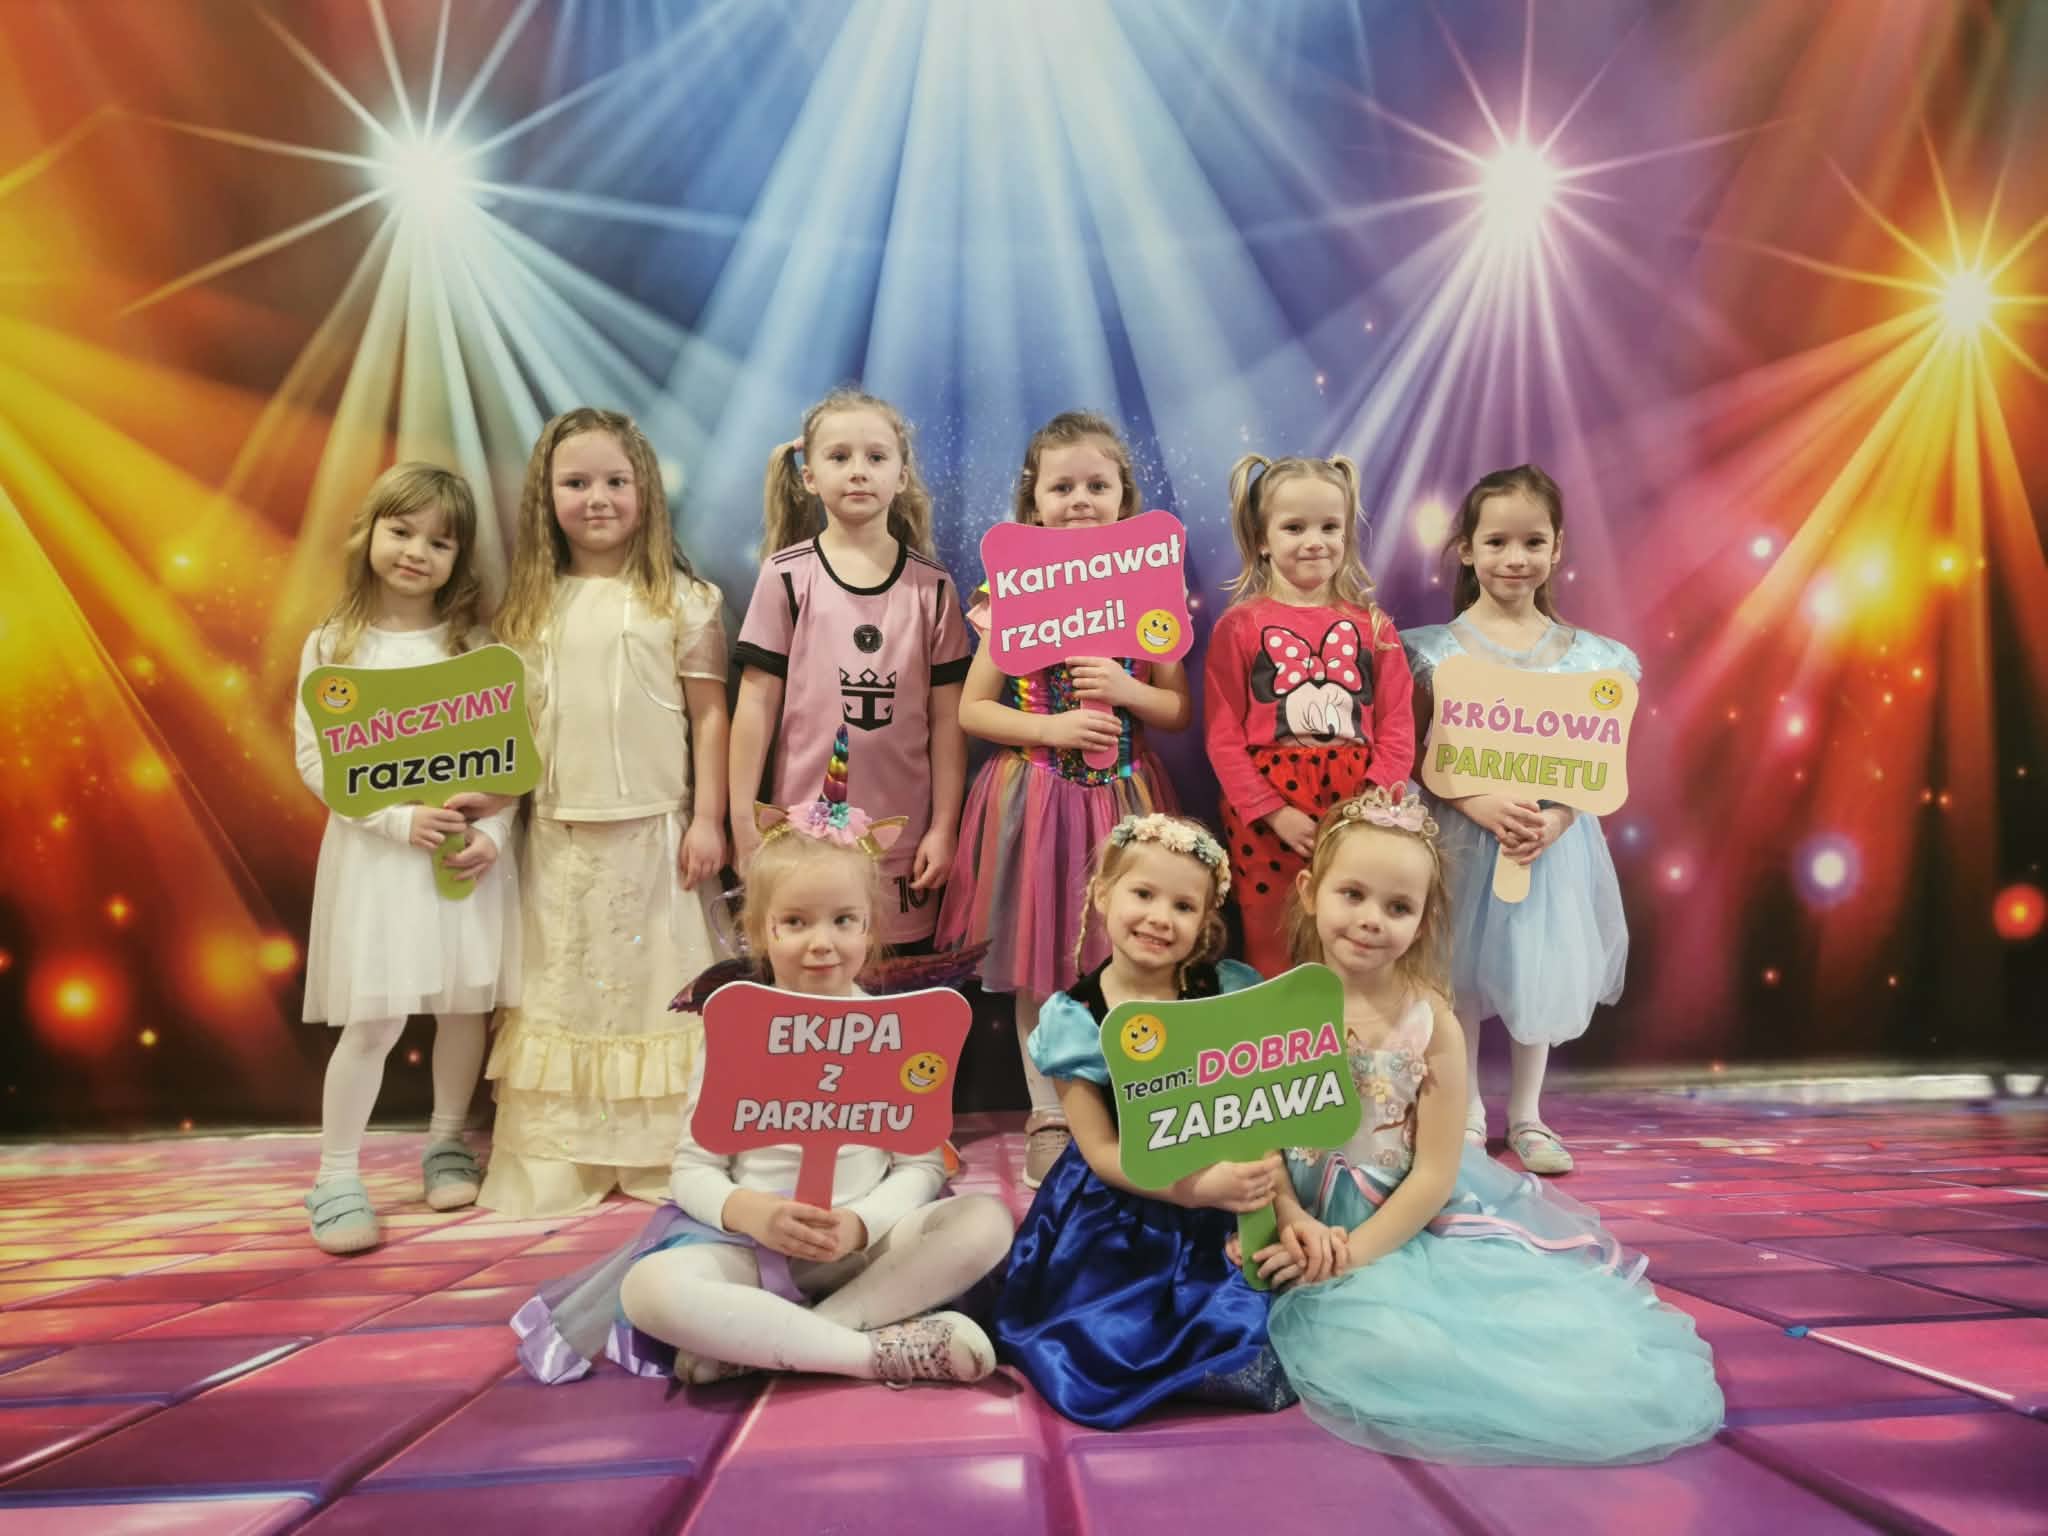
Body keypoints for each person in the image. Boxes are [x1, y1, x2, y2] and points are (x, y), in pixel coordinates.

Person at [1253, 788, 1722, 1465]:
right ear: (1309, 892)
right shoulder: (1273, 1012)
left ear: (1424, 919)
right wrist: (1291, 1218)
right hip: (1293, 1213)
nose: (1370, 920)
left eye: (1398, 907)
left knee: (1400, 1348)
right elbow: (1255, 1138)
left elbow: (1433, 1174)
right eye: (1351, 895)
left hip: (1397, 1225)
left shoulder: (1431, 1023)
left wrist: (1348, 1257)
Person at [480, 407, 730, 1216]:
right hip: (558, 839)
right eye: (576, 482)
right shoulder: (529, 609)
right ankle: (564, 1160)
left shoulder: (684, 601)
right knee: (565, 993)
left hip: (658, 835)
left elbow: (710, 718)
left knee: (657, 992)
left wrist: (709, 818)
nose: (597, 498)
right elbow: (513, 735)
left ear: (644, 490)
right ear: (546, 495)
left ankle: (661, 1152)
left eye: (616, 481)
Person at [936, 411, 1190, 1188]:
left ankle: (1128, 1104)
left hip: (1124, 800)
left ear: (1124, 497)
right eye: (1062, 487)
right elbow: (972, 709)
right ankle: (1047, 1111)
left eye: (1097, 485)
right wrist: (1050, 726)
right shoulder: (1011, 591)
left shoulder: (1152, 587)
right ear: (1034, 502)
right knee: (1038, 956)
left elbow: (1177, 708)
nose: (1080, 499)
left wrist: (1125, 689)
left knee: (1132, 951)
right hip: (1038, 799)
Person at [994, 813, 1295, 1429]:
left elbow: (1260, 1110)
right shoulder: (1076, 1018)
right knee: (1110, 1333)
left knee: (1260, 1307)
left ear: (1205, 922)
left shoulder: (1227, 990)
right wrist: (1190, 1189)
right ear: (1103, 893)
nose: (1160, 917)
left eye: (1183, 906)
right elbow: (1101, 1152)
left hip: (1222, 1185)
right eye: (1144, 894)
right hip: (1125, 1199)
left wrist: (1260, 1200)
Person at [294, 463, 518, 1253]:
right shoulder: (335, 644)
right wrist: (395, 820)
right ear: (369, 534)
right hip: (379, 865)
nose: (417, 552)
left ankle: (447, 1142)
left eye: (439, 542)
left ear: (460, 558)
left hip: (460, 860)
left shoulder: (477, 646)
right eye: (401, 531)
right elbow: (317, 759)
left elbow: (508, 764)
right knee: (376, 1016)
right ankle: (336, 1175)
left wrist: (494, 837)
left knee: (462, 1004)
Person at [1402, 464, 1639, 1172]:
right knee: (1456, 970)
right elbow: (1413, 753)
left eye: (1533, 542)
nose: (1515, 558)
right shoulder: (1432, 652)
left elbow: (1597, 763)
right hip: (1460, 837)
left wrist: (1558, 819)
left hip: (1547, 845)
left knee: (1538, 963)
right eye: (1497, 542)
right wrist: (1475, 802)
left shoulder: (1591, 661)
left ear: (1557, 547)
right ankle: (1467, 1112)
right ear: (1467, 549)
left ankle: (1530, 1115)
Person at [1204, 453, 1413, 975]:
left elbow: (1397, 725)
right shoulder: (1238, 626)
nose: (1314, 541)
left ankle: (1349, 1026)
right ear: (1262, 538)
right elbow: (1223, 735)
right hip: (1267, 812)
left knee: (1351, 933)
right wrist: (1272, 811)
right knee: (1272, 938)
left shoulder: (1375, 626)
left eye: (1329, 527)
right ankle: (1276, 1026)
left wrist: (1372, 802)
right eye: (1294, 527)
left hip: (1357, 803)